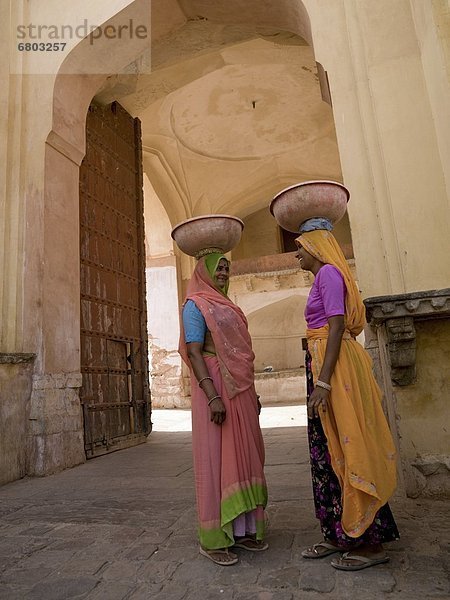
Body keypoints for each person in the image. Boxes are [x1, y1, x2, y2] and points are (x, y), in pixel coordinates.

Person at [295, 218, 399, 571]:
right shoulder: (325, 276)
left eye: (299, 247)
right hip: (326, 366)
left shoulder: (327, 274)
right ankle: (340, 533)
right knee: (329, 447)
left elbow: (336, 325)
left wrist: (323, 383)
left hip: (334, 371)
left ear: (314, 248)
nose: (296, 254)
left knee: (348, 447)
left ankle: (369, 543)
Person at [179, 252, 268, 566]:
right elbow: (193, 351)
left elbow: (242, 352)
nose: (224, 272)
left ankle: (244, 529)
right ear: (203, 271)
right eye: (219, 267)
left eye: (227, 267)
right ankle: (214, 537)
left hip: (240, 389)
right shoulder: (195, 305)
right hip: (215, 387)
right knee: (217, 458)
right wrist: (211, 395)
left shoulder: (230, 306)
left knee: (245, 455)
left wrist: (251, 393)